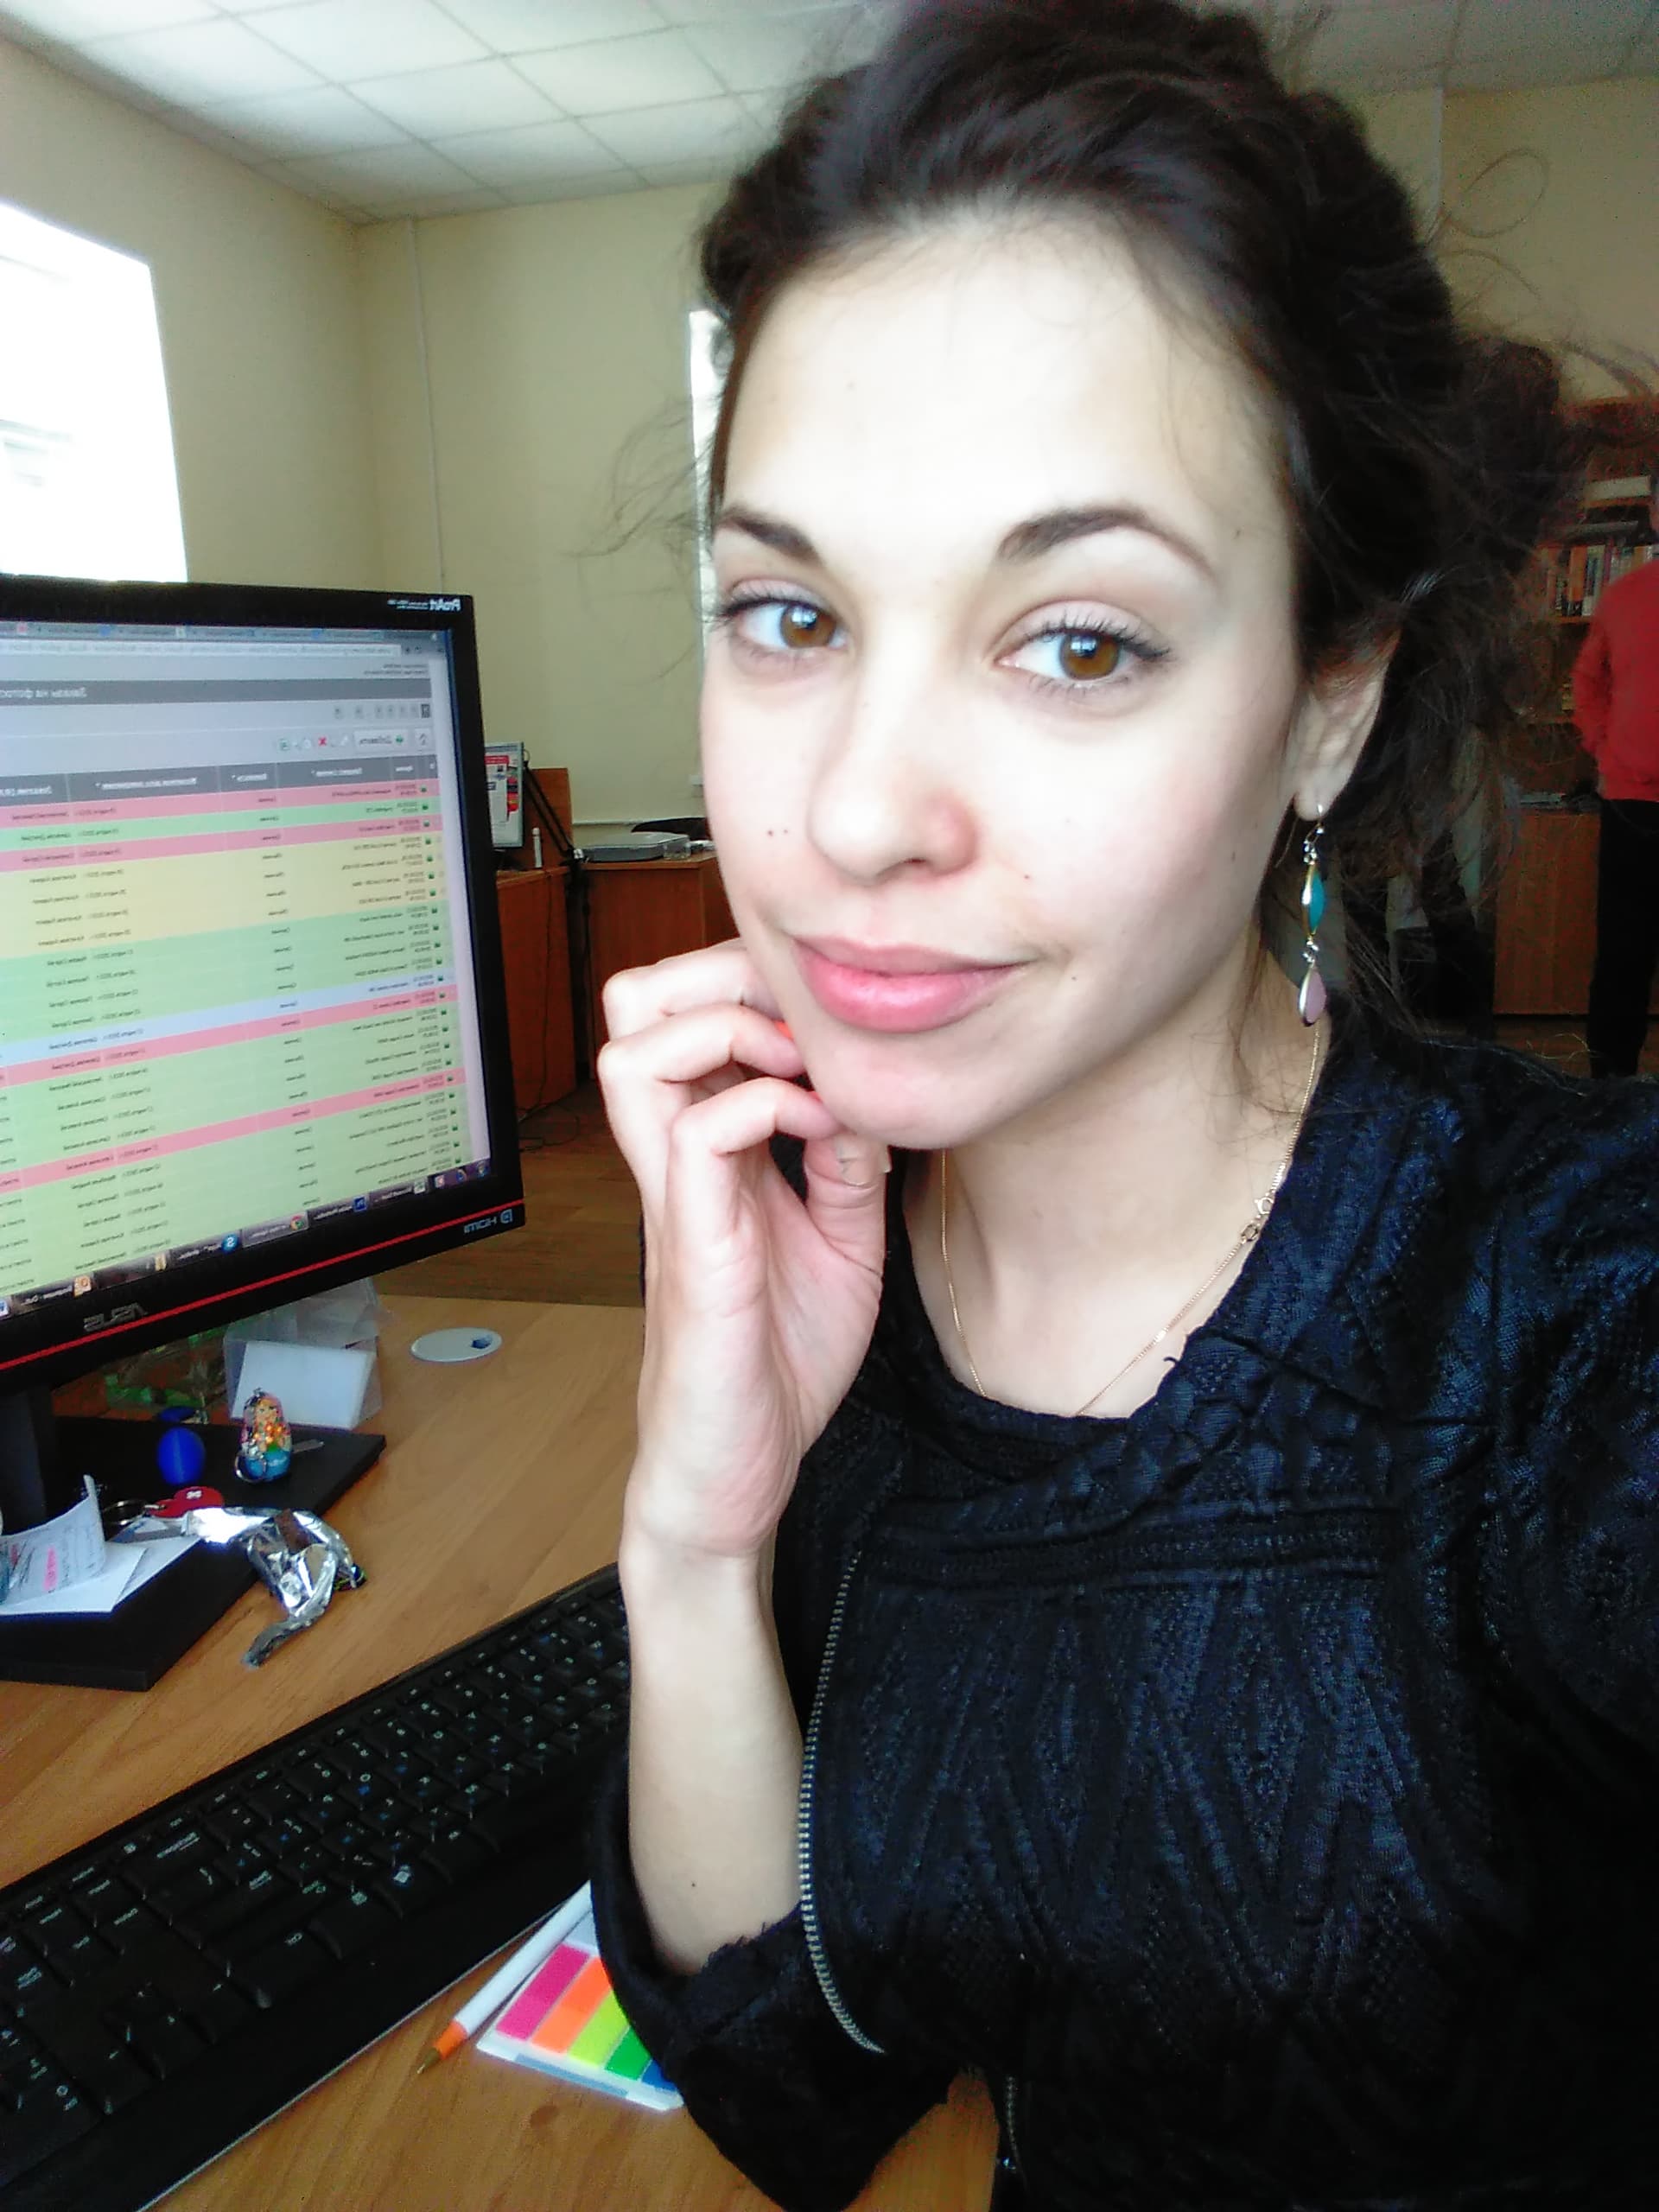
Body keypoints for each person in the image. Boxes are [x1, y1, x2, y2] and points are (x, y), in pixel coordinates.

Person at [588, 4, 1659, 2205]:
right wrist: (697, 1542)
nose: (856, 812)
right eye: (787, 613)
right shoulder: (812, 1272)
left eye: (1077, 640)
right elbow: (798, 2090)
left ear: (1330, 696)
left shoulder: (1575, 1313)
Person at [1574, 477, 1659, 1077]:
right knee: (1623, 954)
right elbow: (1588, 680)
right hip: (1632, 802)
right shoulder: (1623, 596)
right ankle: (1607, 1095)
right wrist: (1604, 747)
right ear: (1655, 512)